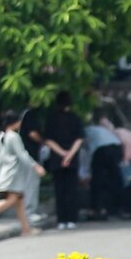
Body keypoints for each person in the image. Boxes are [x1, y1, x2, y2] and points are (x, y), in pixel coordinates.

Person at [0, 108, 43, 234]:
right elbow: (22, 154)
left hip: (5, 171)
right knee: (12, 199)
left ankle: (26, 228)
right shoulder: (14, 137)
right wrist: (36, 166)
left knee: (19, 200)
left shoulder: (1, 136)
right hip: (13, 173)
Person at [45, 93, 84, 230]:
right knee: (71, 190)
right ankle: (72, 219)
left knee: (59, 190)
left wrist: (62, 154)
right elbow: (79, 139)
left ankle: (61, 220)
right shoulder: (75, 119)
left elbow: (48, 140)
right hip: (72, 160)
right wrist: (69, 155)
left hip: (57, 159)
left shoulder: (51, 119)